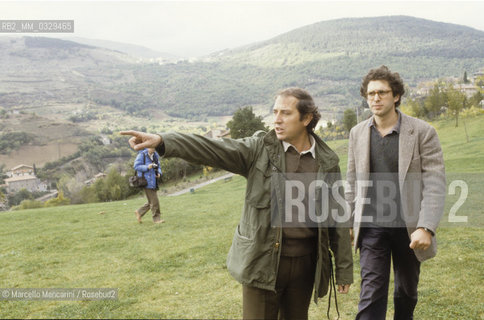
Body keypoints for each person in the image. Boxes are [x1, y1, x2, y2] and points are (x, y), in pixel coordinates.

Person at [121, 87, 353, 319]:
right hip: (261, 260)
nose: (277, 120)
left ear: (307, 118)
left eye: (286, 113)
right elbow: (211, 149)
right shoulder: (259, 149)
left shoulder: (327, 161)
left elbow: (337, 219)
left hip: (305, 265)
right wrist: (164, 141)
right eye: (275, 112)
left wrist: (343, 270)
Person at [345, 65, 446, 320]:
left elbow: (435, 183)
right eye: (370, 94)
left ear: (396, 96)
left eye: (382, 92)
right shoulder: (357, 133)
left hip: (409, 228)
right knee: (371, 294)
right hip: (371, 227)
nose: (375, 98)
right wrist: (348, 220)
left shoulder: (423, 132)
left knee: (406, 292)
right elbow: (352, 182)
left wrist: (426, 226)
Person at [134, 147, 164, 224]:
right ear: (147, 147)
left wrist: (159, 173)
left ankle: (139, 212)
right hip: (146, 181)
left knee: (151, 201)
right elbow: (136, 166)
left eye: (154, 147)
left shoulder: (155, 155)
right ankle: (156, 219)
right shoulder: (142, 155)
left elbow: (158, 166)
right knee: (155, 201)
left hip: (154, 181)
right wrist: (147, 167)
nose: (153, 148)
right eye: (151, 147)